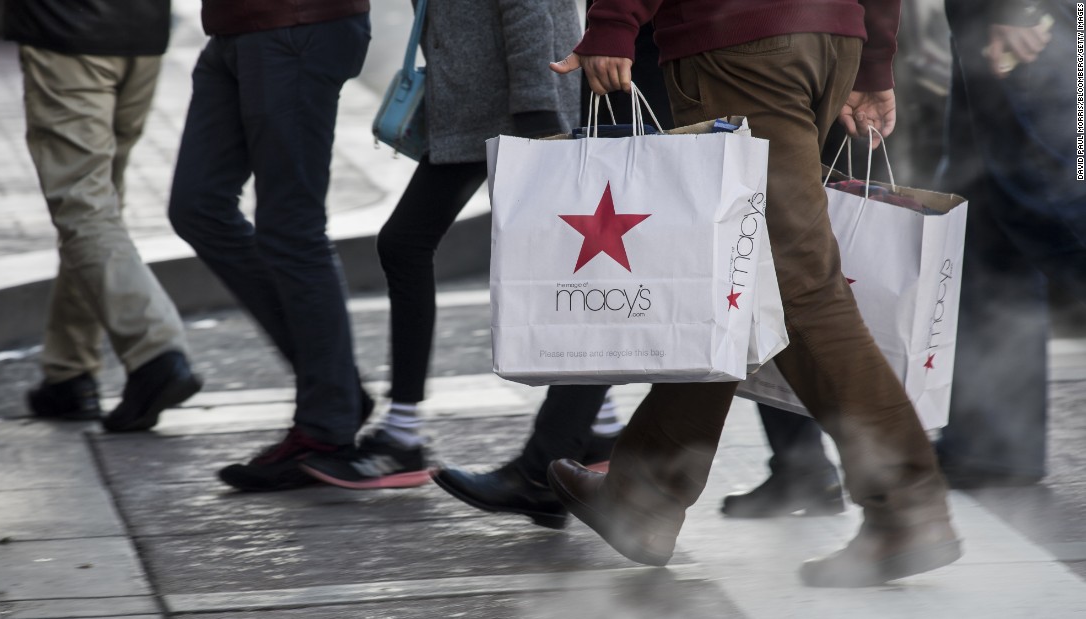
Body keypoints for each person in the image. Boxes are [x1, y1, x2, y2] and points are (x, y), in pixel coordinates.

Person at [544, 0, 962, 588]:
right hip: (825, 36)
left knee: (797, 286)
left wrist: (614, 20)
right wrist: (871, 57)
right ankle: (642, 493)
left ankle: (907, 508)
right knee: (748, 273)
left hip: (739, 42)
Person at [296, 0, 610, 492]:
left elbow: (527, 9)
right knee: (552, 262)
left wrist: (535, 112)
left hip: (510, 104)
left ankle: (404, 436)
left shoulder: (525, 105)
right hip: (486, 103)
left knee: (414, 244)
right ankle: (600, 425)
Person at [428, 16, 673, 529]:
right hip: (744, 39)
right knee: (734, 272)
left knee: (616, 277)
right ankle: (805, 465)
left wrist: (613, 23)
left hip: (667, 43)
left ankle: (550, 472)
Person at [167, 0, 374, 492]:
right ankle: (335, 386)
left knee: (291, 228)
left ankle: (325, 428)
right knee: (198, 206)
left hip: (295, 27)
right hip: (233, 28)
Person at [5, 0, 203, 431]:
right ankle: (69, 370)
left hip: (66, 31)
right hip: (140, 35)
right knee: (98, 205)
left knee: (85, 207)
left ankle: (154, 349)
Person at [933, 0, 1085, 487]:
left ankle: (992, 444)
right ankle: (993, 444)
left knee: (1056, 209)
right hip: (985, 24)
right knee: (986, 225)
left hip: (1018, 19)